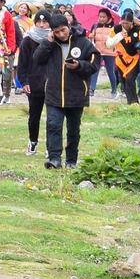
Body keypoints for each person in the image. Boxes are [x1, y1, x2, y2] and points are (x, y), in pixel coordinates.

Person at [25, 12, 98, 170]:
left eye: (63, 30)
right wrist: (47, 43)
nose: (61, 34)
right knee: (53, 125)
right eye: (57, 32)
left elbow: (94, 64)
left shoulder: (83, 42)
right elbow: (37, 59)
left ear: (69, 26)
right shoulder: (50, 43)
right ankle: (54, 159)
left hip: (76, 93)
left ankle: (71, 160)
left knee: (73, 130)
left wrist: (79, 65)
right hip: (54, 93)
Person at [15, 8, 52, 154]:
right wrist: (24, 82)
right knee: (34, 117)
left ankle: (51, 147)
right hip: (34, 84)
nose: (42, 25)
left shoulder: (54, 39)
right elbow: (22, 64)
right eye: (39, 22)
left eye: (45, 22)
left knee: (53, 119)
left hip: (51, 85)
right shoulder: (28, 40)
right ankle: (33, 142)